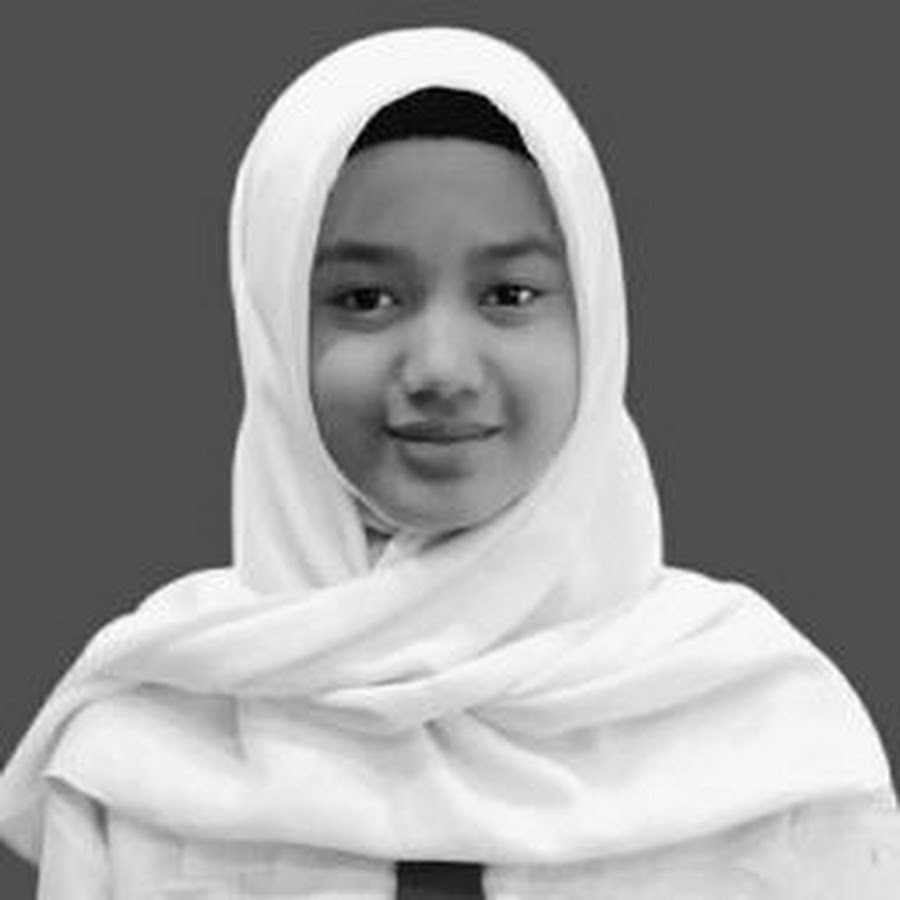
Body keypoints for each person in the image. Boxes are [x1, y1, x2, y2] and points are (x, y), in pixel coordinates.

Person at [1, 26, 898, 899]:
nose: (440, 368)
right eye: (364, 298)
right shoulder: (154, 729)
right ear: (271, 329)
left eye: (510, 293)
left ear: (596, 318)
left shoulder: (768, 731)